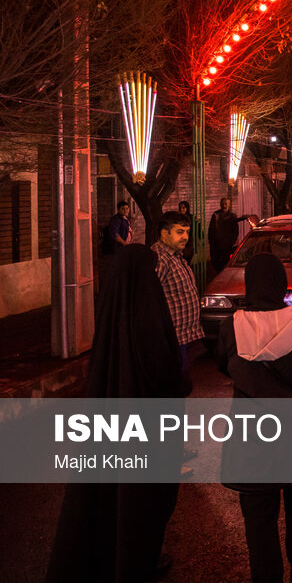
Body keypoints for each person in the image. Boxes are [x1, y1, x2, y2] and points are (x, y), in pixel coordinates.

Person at [46, 245, 187, 583]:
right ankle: (137, 559)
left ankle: (106, 555)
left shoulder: (110, 309)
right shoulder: (148, 309)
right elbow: (163, 370)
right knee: (142, 499)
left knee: (109, 493)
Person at [216, 253, 292, 582]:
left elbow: (225, 366)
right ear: (281, 284)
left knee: (258, 513)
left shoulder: (230, 326)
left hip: (252, 432)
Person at [152, 211, 204, 383]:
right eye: (179, 232)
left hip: (181, 336)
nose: (185, 237)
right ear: (164, 233)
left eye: (187, 232)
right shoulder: (160, 259)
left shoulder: (175, 256)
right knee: (174, 383)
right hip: (170, 338)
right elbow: (151, 297)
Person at [209, 197, 249, 272]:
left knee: (226, 264)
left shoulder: (232, 216)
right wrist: (212, 242)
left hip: (227, 245)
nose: (224, 206)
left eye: (226, 204)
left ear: (229, 205)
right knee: (216, 264)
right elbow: (211, 230)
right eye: (222, 204)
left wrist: (232, 242)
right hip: (216, 245)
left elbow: (235, 231)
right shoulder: (215, 215)